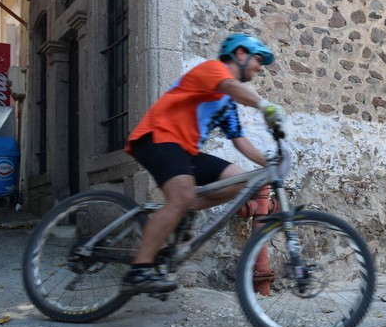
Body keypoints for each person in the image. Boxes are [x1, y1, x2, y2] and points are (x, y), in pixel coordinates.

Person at [122, 33, 285, 294]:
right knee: (182, 194)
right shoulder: (212, 70)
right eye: (258, 59)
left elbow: (240, 140)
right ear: (240, 54)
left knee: (240, 181)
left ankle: (184, 208)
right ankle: (139, 270)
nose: (260, 67)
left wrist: (268, 163)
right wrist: (264, 105)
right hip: (158, 137)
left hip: (186, 151)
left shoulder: (227, 104)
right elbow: (230, 86)